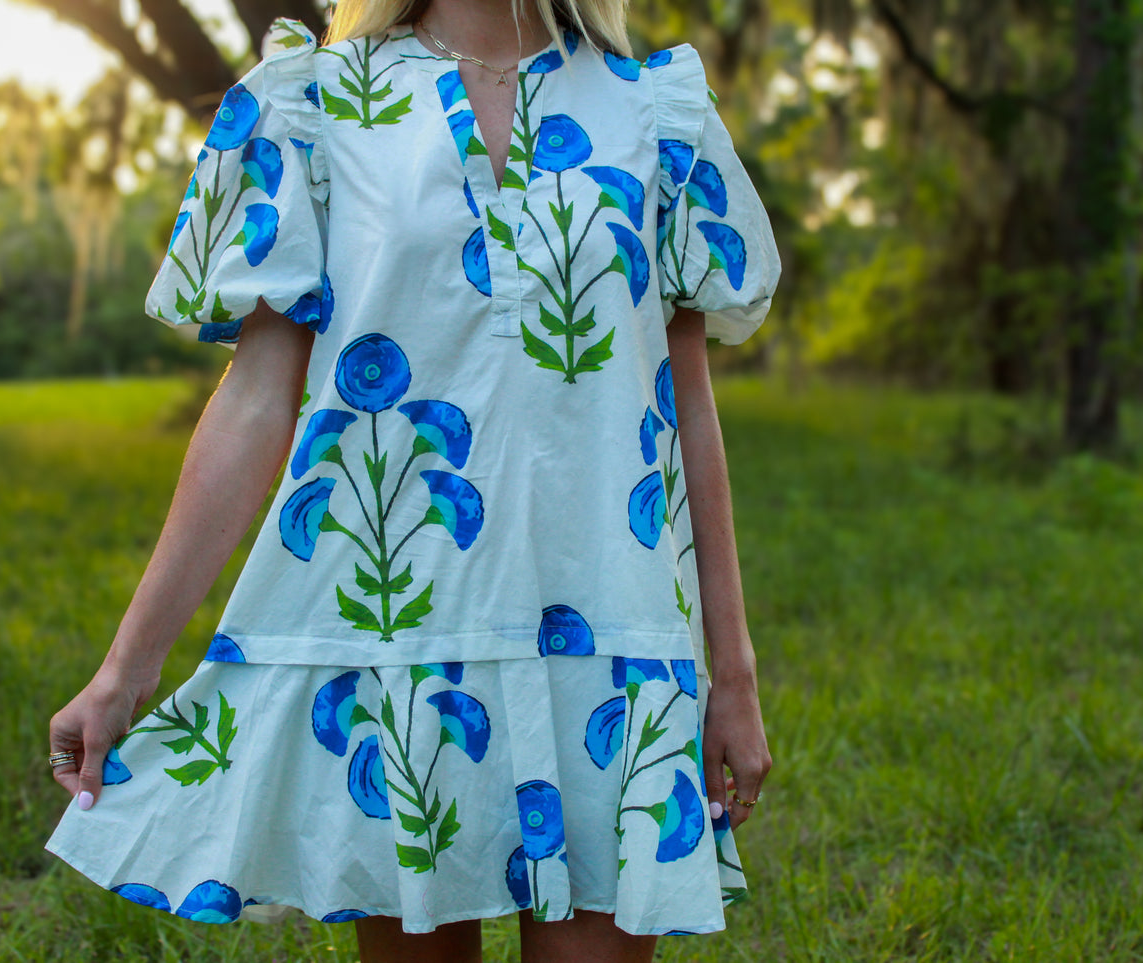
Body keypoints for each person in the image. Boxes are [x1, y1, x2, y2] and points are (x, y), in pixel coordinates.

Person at [45, 0, 779, 959]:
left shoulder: (655, 113)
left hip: (610, 638)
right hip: (396, 640)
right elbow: (257, 400)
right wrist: (126, 665)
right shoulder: (312, 103)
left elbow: (685, 414)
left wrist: (732, 674)